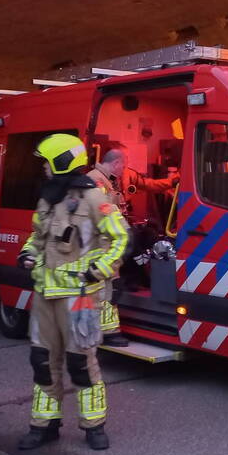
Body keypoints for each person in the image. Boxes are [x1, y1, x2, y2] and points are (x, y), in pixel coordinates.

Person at [17, 134, 129, 450]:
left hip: (78, 297)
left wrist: (97, 269)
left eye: (46, 162)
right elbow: (37, 239)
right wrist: (26, 253)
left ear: (60, 162)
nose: (42, 169)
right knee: (42, 360)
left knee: (81, 363)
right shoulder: (47, 199)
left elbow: (120, 238)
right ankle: (44, 425)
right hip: (45, 295)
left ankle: (94, 427)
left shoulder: (94, 198)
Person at [87, 145, 177, 346]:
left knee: (111, 287)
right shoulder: (96, 182)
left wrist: (171, 182)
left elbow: (148, 184)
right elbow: (99, 215)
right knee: (106, 289)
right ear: (116, 163)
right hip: (102, 242)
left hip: (114, 237)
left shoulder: (119, 176)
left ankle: (108, 329)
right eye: (124, 164)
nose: (125, 169)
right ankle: (102, 332)